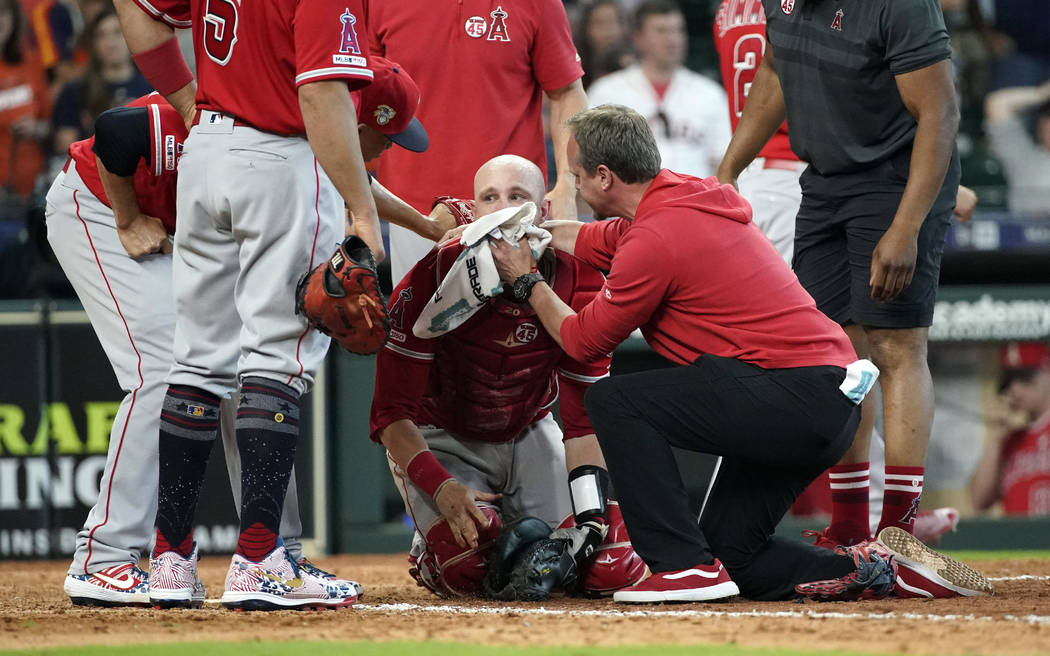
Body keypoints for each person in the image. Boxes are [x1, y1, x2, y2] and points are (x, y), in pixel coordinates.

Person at [490, 104, 992, 603]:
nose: (573, 186)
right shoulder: (677, 199)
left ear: (603, 177)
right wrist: (522, 233)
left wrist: (527, 281)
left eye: (576, 176)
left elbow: (582, 340)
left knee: (615, 401)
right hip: (823, 401)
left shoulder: (655, 237)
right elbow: (587, 238)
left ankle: (683, 567)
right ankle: (878, 572)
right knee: (735, 556)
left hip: (794, 395)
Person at [53, 60, 433, 607]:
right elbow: (117, 129)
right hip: (94, 205)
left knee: (242, 370)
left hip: (185, 220)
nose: (388, 146)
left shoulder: (306, 129)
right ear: (352, 114)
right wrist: (127, 217)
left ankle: (276, 554)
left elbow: (357, 185)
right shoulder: (251, 114)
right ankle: (104, 557)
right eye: (384, 131)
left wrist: (430, 227)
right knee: (166, 368)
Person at [113, 0, 384, 611]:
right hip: (280, 155)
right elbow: (321, 97)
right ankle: (261, 557)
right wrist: (361, 211)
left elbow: (137, 7)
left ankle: (170, 560)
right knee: (277, 355)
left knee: (197, 361)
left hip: (205, 152)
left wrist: (186, 100)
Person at [712, 0, 969, 548]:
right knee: (836, 354)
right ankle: (851, 523)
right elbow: (774, 71)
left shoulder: (898, 6)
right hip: (825, 181)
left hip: (896, 179)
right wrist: (731, 167)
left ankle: (899, 534)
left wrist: (906, 228)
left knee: (896, 348)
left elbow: (940, 113)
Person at [370, 153, 645, 598]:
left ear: (544, 211)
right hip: (441, 434)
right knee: (466, 567)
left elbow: (581, 419)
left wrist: (592, 520)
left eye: (518, 197)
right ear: (473, 211)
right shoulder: (434, 274)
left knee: (607, 565)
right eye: (490, 198)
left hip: (530, 430)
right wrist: (440, 487)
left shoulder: (581, 279)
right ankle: (430, 551)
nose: (504, 212)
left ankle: (528, 531)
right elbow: (390, 413)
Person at [361, 0, 588, 283]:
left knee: (518, 325)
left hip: (513, 208)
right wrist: (354, 200)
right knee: (414, 326)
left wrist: (567, 185)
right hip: (409, 210)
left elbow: (566, 92)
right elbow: (360, 91)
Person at [587, 0, 731, 180]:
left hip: (694, 201)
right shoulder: (606, 92)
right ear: (637, 37)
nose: (673, 39)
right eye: (662, 31)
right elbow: (590, 163)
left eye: (678, 30)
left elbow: (723, 162)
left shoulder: (710, 94)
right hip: (630, 205)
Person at [51, 8, 151, 155]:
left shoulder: (153, 87)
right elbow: (65, 147)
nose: (110, 43)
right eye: (102, 35)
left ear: (131, 35)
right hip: (91, 172)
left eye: (118, 32)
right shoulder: (75, 91)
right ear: (93, 43)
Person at [971, 342, 1050, 516]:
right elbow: (979, 501)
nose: (1015, 389)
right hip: (1020, 541)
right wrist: (995, 438)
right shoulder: (1009, 440)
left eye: (1025, 377)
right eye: (1009, 379)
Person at [0, 0, 50, 216]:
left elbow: (49, 124)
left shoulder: (31, 62)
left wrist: (37, 128)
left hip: (33, 184)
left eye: (2, 12)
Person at [984, 79, 1050, 216]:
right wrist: (1040, 94)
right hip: (1022, 234)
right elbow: (997, 104)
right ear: (1040, 126)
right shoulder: (1024, 157)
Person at [573, 0, 630, 89]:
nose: (607, 30)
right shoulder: (575, 66)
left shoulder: (632, 64)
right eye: (599, 23)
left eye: (612, 22)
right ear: (586, 29)